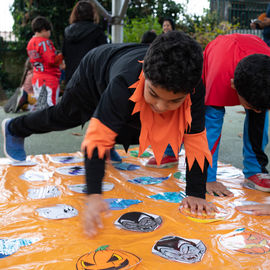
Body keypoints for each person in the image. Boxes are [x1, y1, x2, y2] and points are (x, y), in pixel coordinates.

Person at [2, 31, 215, 237]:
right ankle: (15, 128)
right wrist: (94, 194)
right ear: (146, 77)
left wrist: (196, 192)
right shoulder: (124, 83)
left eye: (174, 101)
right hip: (95, 71)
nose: (161, 106)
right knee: (64, 116)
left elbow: (196, 138)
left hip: (121, 76)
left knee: (135, 120)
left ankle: (117, 138)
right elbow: (97, 137)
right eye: (154, 94)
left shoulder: (193, 88)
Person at [202, 33, 270, 196]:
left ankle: (255, 170)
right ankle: (170, 152)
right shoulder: (219, 76)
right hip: (220, 56)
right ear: (234, 86)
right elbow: (210, 130)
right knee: (208, 117)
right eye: (249, 106)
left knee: (259, 118)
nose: (257, 110)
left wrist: (259, 107)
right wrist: (207, 179)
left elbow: (259, 108)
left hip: (255, 53)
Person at [62, 0, 107, 84]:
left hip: (71, 77)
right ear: (92, 13)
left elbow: (64, 54)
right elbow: (104, 54)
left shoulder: (67, 31)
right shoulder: (97, 31)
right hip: (91, 77)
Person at [27, 16, 64, 109]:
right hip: (49, 79)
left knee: (41, 105)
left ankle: (40, 122)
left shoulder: (30, 43)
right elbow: (52, 60)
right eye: (49, 31)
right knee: (51, 107)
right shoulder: (44, 42)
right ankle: (50, 123)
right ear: (44, 30)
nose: (49, 33)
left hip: (37, 78)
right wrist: (62, 55)